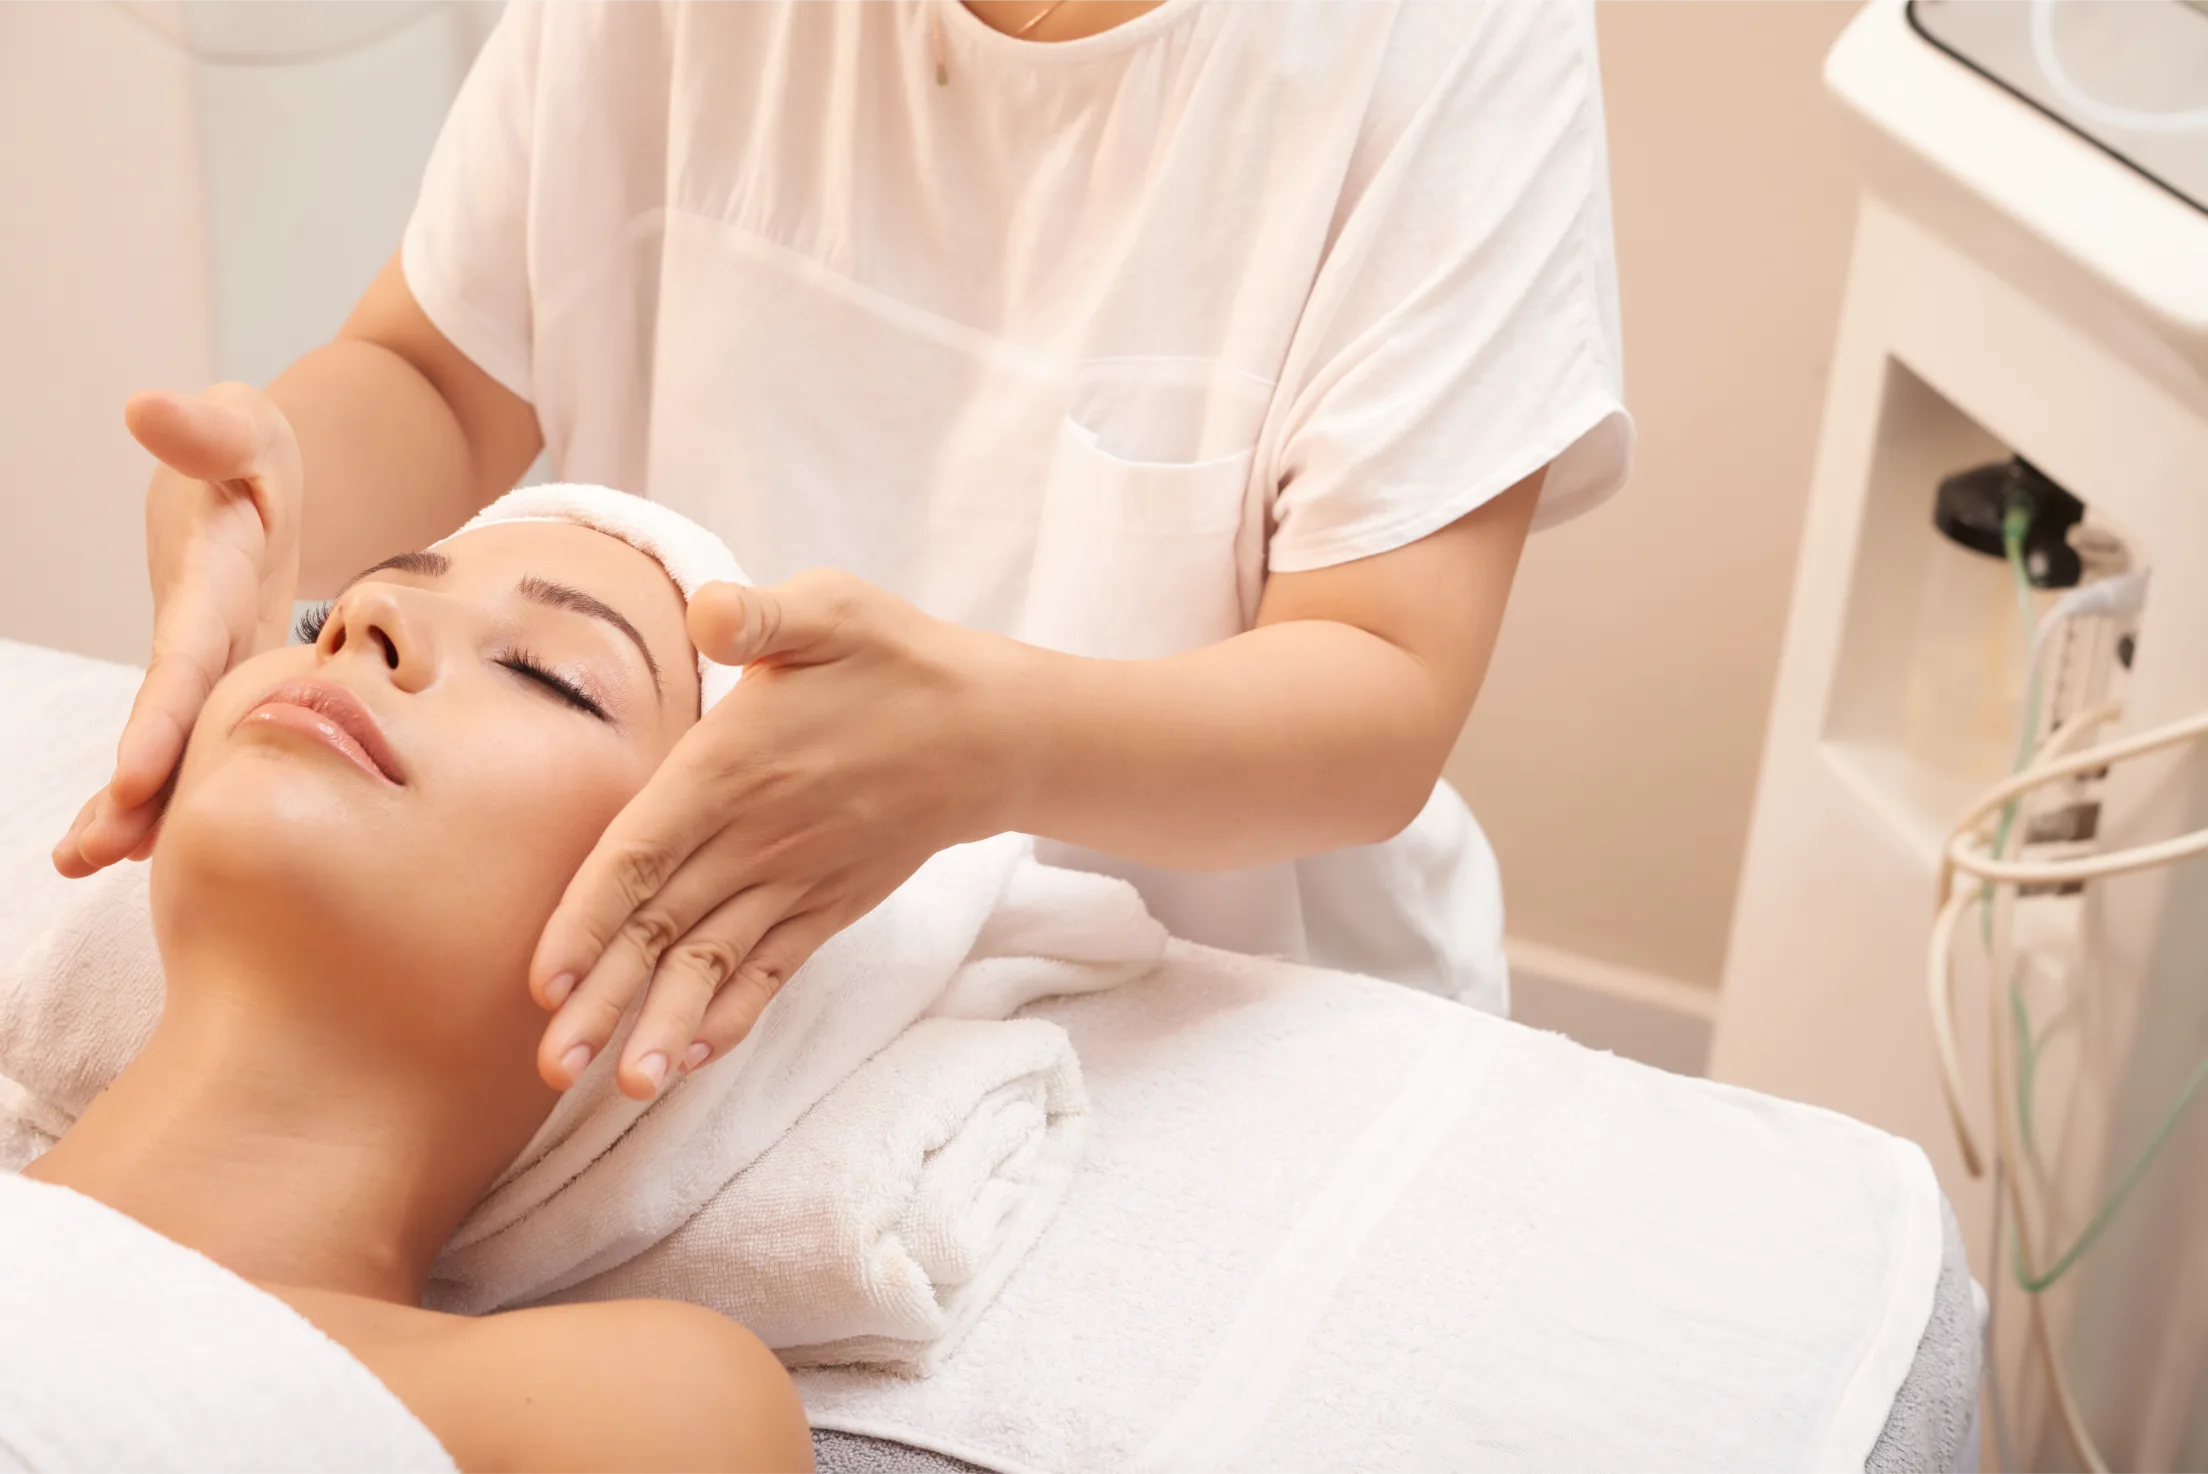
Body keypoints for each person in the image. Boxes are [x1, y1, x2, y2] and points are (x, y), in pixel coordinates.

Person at [55, 0, 1631, 1106]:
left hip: (1216, 1027)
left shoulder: (1444, 41)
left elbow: (1376, 702)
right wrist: (275, 506)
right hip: (707, 999)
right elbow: (434, 371)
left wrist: (995, 746)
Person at [23, 506, 814, 1473]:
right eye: (321, 621)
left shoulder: (619, 1408)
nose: (370, 619)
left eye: (548, 675)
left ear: (682, 959)